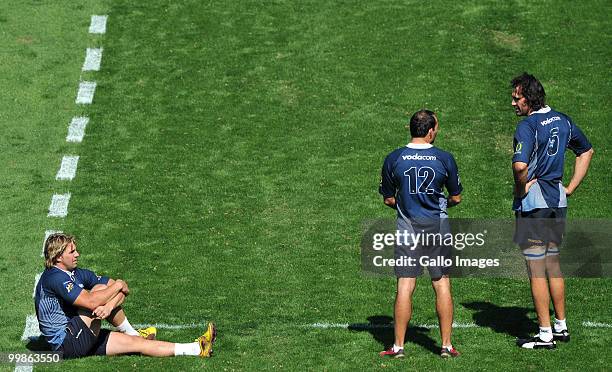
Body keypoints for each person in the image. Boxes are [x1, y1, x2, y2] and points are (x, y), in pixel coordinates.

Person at [510, 73, 593, 349]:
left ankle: (545, 335)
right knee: (553, 263)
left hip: (535, 206)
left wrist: (521, 189)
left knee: (536, 269)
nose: (513, 103)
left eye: (517, 98)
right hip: (557, 201)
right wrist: (570, 187)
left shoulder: (527, 126)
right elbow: (586, 151)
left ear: (529, 99)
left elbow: (520, 167)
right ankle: (561, 325)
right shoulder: (563, 120)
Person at [34, 233, 216, 359]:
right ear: (58, 257)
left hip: (80, 335)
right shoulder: (55, 277)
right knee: (98, 291)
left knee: (137, 344)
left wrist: (108, 306)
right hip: (65, 344)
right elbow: (92, 301)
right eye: (72, 252)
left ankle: (196, 348)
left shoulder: (76, 273)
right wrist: (117, 285)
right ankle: (131, 331)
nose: (77, 254)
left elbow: (123, 290)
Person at [378, 109, 462, 358]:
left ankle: (398, 347)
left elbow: (388, 199)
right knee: (442, 282)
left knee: (405, 284)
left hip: (407, 230)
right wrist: (445, 203)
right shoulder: (444, 158)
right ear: (429, 131)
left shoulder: (394, 158)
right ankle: (446, 346)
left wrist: (403, 204)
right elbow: (456, 196)